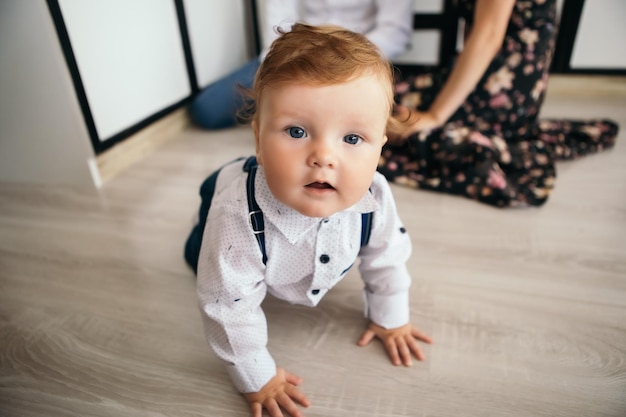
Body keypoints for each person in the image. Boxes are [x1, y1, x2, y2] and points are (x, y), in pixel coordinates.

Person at [186, 23, 432, 417]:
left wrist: (391, 317)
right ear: (258, 140)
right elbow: (226, 306)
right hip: (224, 210)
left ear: (380, 149)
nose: (323, 156)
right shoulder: (237, 220)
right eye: (297, 131)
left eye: (352, 139)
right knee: (206, 262)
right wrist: (256, 376)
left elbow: (387, 256)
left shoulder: (375, 196)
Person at [379, 0, 619, 208]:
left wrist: (435, 115)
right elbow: (477, 29)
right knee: (383, 98)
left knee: (401, 125)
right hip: (488, 68)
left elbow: (489, 35)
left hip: (509, 81)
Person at [189, 0, 413, 130]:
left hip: (355, 56)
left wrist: (338, 54)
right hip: (295, 50)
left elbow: (394, 32)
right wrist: (293, 55)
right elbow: (277, 21)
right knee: (206, 110)